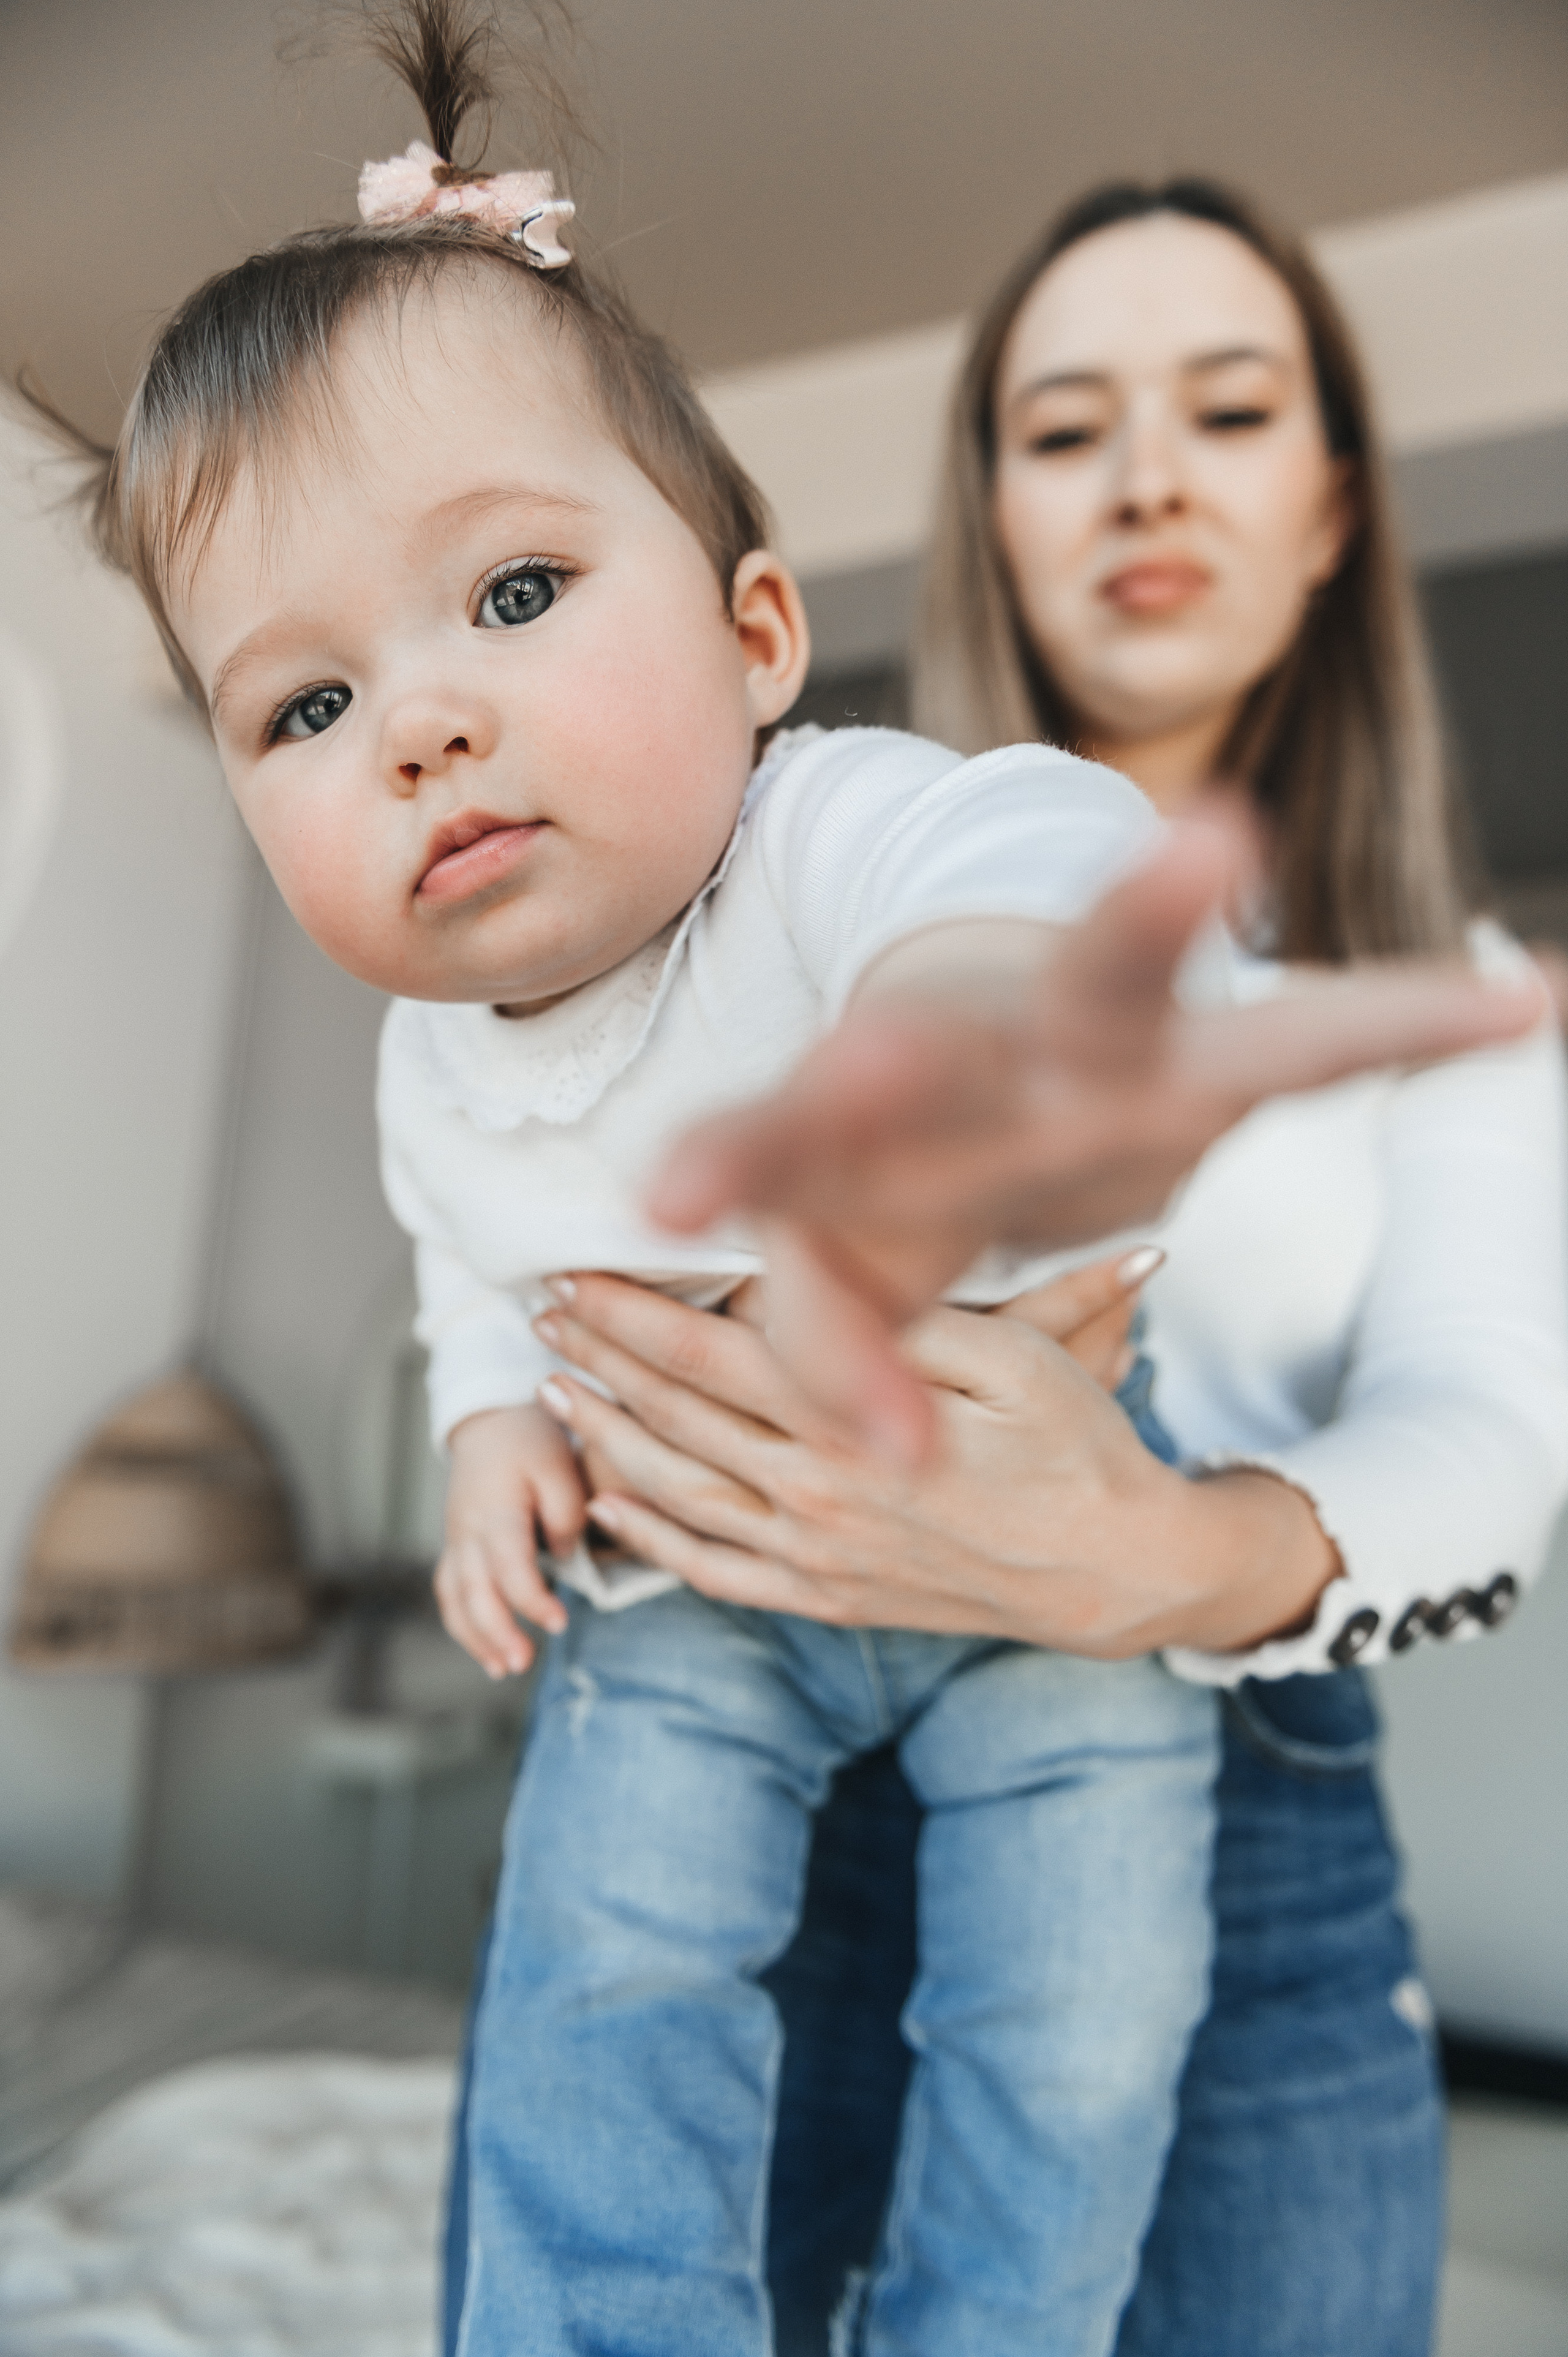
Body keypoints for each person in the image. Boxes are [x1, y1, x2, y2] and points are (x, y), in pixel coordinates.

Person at [37, 21, 1550, 2337]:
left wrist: (954, 1053)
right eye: (304, 709)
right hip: (695, 1609)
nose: (417, 719)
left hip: (1118, 1653)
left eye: (510, 599)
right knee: (601, 1991)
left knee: (1072, 2034)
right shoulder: (442, 1043)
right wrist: (483, 1429)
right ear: (982, 489)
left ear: (759, 636)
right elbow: (470, 1254)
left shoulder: (866, 829)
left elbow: (1034, 853)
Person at [461, 179, 1568, 2357]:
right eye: (1066, 429)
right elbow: (539, 1171)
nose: (1147, 474)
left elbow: (1500, 1438)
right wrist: (509, 1395)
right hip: (744, 1772)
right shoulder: (764, 867)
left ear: (1333, 502)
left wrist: (1156, 1549)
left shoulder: (1451, 989)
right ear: (989, 509)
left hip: (1251, 1845)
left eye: (1228, 412)